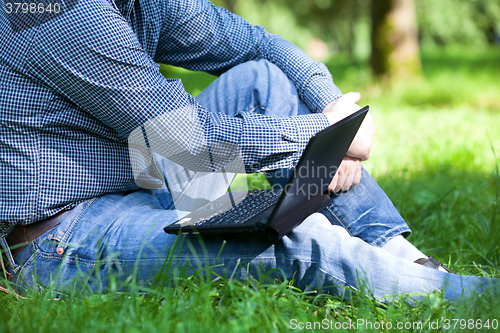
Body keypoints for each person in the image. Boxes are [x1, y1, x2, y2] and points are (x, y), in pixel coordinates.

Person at [0, 0, 496, 301]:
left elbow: (258, 44)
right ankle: (465, 301)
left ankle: (400, 258)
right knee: (296, 239)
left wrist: (334, 119)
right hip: (63, 235)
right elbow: (188, 140)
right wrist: (316, 132)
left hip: (139, 173)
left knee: (260, 79)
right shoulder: (50, 11)